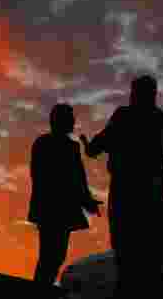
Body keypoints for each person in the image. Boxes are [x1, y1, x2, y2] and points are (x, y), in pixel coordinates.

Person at [81, 74, 163, 296]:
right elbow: (162, 152)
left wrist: (90, 145)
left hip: (126, 191)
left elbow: (96, 148)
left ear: (135, 94)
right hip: (152, 193)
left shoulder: (124, 116)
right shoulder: (161, 119)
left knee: (124, 249)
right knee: (148, 251)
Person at [28, 103, 103, 286]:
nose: (73, 122)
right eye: (70, 118)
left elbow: (77, 179)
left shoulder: (50, 144)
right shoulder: (58, 145)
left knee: (54, 255)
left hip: (52, 207)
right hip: (55, 208)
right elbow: (76, 179)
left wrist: (87, 201)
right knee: (51, 255)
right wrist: (86, 201)